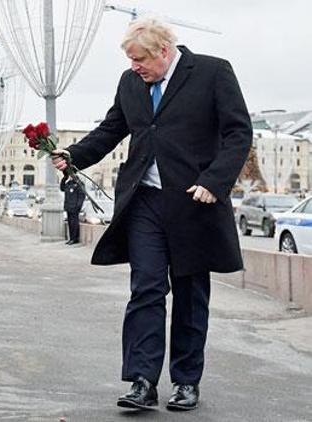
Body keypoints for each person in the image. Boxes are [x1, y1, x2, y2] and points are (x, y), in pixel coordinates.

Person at [52, 17, 251, 411]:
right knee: (145, 288)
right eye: (129, 60)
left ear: (164, 51)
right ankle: (142, 380)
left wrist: (215, 181)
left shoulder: (213, 72)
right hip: (144, 202)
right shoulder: (131, 83)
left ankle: (186, 382)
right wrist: (75, 156)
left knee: (191, 296)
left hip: (195, 202)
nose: (134, 67)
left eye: (139, 59)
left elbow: (238, 132)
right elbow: (111, 129)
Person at [62, 177, 85, 245]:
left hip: (75, 207)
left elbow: (82, 196)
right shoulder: (68, 183)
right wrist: (64, 178)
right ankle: (71, 238)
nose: (70, 177)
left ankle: (75, 239)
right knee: (70, 224)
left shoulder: (79, 183)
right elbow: (62, 188)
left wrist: (78, 206)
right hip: (68, 207)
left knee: (74, 223)